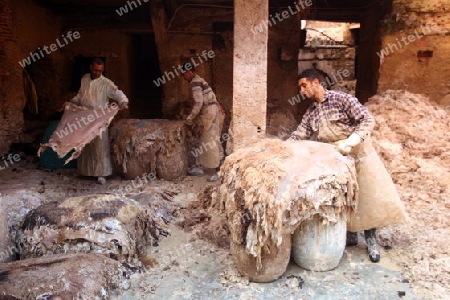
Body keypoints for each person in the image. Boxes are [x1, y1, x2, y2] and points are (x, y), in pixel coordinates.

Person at [288, 68, 408, 263]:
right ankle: (349, 236)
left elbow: (367, 119)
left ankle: (371, 243)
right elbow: (299, 134)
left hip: (359, 155)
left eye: (304, 85)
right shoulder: (311, 113)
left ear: (316, 82)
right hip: (337, 160)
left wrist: (351, 141)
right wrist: (280, 149)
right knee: (344, 199)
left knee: (367, 200)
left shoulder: (341, 99)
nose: (301, 91)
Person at [71, 58, 129, 184]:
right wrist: (73, 102)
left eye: (100, 71)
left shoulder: (106, 83)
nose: (97, 73)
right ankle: (85, 172)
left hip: (99, 118)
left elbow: (117, 92)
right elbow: (81, 95)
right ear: (91, 67)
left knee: (99, 147)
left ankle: (101, 174)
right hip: (85, 117)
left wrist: (123, 101)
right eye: (95, 70)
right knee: (86, 145)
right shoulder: (85, 79)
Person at [181, 62, 225, 182]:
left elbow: (199, 103)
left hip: (209, 111)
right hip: (213, 110)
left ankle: (214, 172)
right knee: (212, 139)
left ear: (189, 72)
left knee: (209, 141)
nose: (183, 77)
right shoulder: (200, 80)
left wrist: (190, 118)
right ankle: (218, 165)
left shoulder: (195, 82)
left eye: (184, 74)